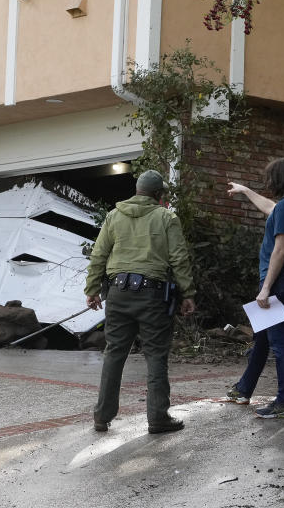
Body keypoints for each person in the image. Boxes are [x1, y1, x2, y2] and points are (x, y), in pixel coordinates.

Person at [85, 170, 197, 434]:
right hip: (152, 296)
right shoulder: (166, 217)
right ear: (159, 195)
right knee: (156, 355)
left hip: (118, 293)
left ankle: (102, 416)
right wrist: (188, 294)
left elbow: (99, 254)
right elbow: (179, 259)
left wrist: (91, 289)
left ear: (137, 190)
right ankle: (158, 418)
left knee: (114, 353)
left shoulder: (114, 216)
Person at [225, 157, 284, 419]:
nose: (267, 182)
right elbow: (270, 208)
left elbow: (280, 249)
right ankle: (244, 389)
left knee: (280, 341)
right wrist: (246, 191)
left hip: (278, 281)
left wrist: (266, 288)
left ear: (278, 179)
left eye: (270, 178)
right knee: (262, 336)